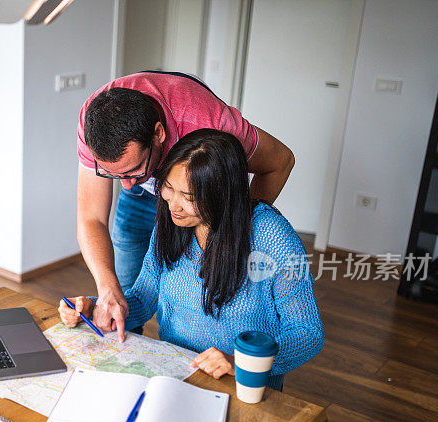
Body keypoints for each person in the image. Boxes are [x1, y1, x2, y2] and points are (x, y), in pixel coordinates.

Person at [62, 129, 322, 388]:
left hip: (243, 384)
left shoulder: (272, 236)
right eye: (169, 188)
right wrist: (97, 309)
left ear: (223, 195)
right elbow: (143, 298)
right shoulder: (174, 223)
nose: (173, 205)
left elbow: (307, 333)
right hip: (178, 374)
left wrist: (240, 362)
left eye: (189, 197)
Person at [77, 71, 295, 341]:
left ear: (159, 134)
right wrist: (105, 291)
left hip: (211, 205)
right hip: (173, 196)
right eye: (114, 175)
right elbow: (91, 218)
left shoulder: (212, 125)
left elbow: (280, 161)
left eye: (134, 171)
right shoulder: (96, 122)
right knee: (122, 292)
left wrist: (232, 227)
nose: (127, 187)